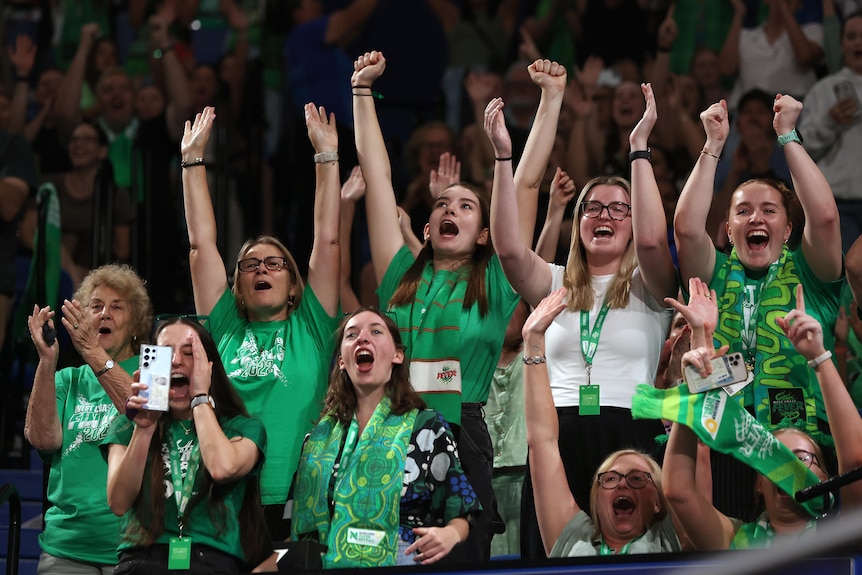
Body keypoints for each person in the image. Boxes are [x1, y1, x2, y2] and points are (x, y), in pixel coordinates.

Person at [486, 80, 675, 556]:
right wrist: (503, 159)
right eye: (592, 207)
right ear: (578, 221)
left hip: (631, 436)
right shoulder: (553, 283)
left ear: (633, 221)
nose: (603, 214)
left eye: (617, 208)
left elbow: (654, 242)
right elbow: (508, 248)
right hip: (560, 434)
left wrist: (639, 149)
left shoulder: (652, 285)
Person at [352, 50, 520, 561]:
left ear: (484, 232)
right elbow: (378, 182)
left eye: (466, 205)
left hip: (462, 431)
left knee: (459, 563)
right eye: (442, 204)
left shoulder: (494, 275)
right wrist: (361, 93)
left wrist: (502, 154)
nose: (450, 208)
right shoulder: (402, 273)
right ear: (426, 228)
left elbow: (525, 188)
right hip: (389, 426)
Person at [673, 93, 843, 519]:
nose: (755, 219)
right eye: (743, 212)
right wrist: (713, 145)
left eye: (769, 211)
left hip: (801, 442)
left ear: (787, 229)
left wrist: (787, 136)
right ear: (728, 229)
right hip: (724, 441)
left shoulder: (811, 274)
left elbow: (824, 218)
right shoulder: (712, 273)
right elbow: (686, 228)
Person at [180, 104, 340, 539]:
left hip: (298, 494)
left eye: (274, 264)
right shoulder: (225, 326)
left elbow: (327, 239)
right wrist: (192, 161)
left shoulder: (313, 324)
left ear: (293, 286)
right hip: (227, 489)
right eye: (249, 266)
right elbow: (200, 246)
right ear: (237, 287)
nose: (261, 270)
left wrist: (326, 156)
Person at [661, 279, 862, 549]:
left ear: (824, 478)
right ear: (759, 483)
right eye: (774, 457)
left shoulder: (844, 532)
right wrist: (693, 388)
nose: (789, 466)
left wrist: (818, 357)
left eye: (802, 458)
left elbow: (856, 457)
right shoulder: (732, 540)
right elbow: (679, 490)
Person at [288, 308, 480, 567]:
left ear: (397, 355)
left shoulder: (426, 427)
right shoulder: (317, 439)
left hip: (401, 557)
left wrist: (450, 534)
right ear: (342, 361)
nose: (362, 338)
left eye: (375, 331)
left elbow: (460, 507)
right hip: (322, 562)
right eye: (351, 334)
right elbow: (296, 525)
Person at [522, 287, 681, 556]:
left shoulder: (671, 540)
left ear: (658, 501)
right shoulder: (572, 542)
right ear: (595, 498)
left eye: (637, 479)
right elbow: (542, 442)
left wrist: (701, 339)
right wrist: (533, 339)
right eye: (609, 479)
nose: (622, 484)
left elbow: (692, 462)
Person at [105, 317, 267, 574]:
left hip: (211, 561)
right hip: (142, 559)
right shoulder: (128, 426)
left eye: (189, 353)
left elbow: (222, 468)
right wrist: (144, 430)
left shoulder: (242, 428)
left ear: (208, 366)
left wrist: (200, 398)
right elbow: (118, 502)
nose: (176, 361)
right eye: (165, 353)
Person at [24, 264, 152, 574]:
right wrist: (47, 361)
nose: (105, 314)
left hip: (132, 548)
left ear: (136, 324)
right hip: (65, 548)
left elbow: (146, 417)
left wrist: (92, 351)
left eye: (117, 307)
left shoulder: (150, 371)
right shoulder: (67, 379)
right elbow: (43, 440)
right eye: (96, 306)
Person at [19, 121, 134, 289]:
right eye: (74, 139)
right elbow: (27, 232)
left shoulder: (113, 195)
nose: (79, 144)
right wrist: (58, 257)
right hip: (47, 266)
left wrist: (91, 272)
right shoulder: (49, 185)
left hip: (93, 271)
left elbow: (122, 249)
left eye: (87, 139)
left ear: (102, 151)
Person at [799, 11, 862, 253]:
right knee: (846, 279)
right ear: (841, 44)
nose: (858, 42)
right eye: (851, 36)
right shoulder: (822, 90)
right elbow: (802, 150)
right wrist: (830, 121)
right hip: (838, 204)